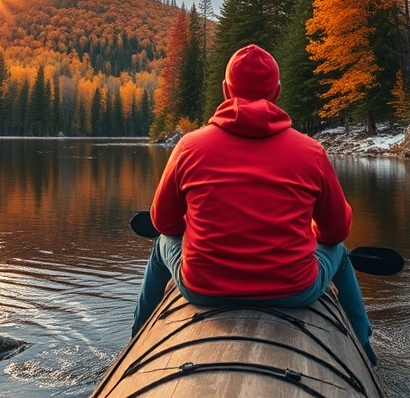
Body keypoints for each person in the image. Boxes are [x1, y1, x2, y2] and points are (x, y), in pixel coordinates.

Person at [132, 44, 376, 364]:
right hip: (294, 290)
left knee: (163, 242)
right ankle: (365, 348)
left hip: (204, 288)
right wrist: (312, 231)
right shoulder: (311, 151)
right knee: (340, 253)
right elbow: (337, 230)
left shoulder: (189, 146)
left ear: (225, 90)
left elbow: (164, 223)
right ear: (276, 92)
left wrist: (192, 227)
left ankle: (136, 338)